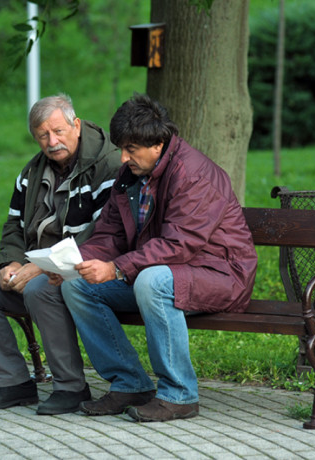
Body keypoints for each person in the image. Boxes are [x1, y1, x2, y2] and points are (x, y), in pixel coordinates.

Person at [58, 94, 258, 422]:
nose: (122, 158)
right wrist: (72, 264)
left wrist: (117, 268)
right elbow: (110, 235)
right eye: (121, 148)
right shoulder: (131, 178)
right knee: (76, 286)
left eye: (131, 150)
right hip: (167, 272)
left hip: (220, 274)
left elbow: (179, 245)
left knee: (153, 280)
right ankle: (129, 384)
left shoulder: (194, 174)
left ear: (158, 144)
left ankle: (179, 394)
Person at [0, 94, 120, 415]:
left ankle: (70, 386)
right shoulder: (32, 170)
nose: (52, 141)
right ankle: (12, 382)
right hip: (35, 264)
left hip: (84, 269)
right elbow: (14, 224)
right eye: (42, 135)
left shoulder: (108, 164)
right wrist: (12, 262)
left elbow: (105, 234)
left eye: (58, 131)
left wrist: (43, 268)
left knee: (39, 288)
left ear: (76, 124)